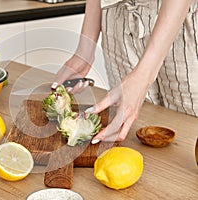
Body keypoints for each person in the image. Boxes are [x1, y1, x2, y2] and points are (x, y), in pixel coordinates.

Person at [51, 0, 198, 144]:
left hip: (179, 19)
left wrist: (143, 75)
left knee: (189, 140)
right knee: (131, 135)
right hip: (118, 22)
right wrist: (85, 48)